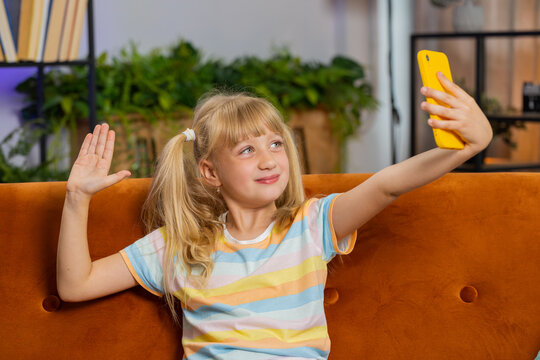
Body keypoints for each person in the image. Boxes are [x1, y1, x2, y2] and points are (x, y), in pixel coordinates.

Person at [56, 73, 493, 360]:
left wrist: (467, 146)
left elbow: (386, 185)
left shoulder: (312, 225)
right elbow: (76, 285)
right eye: (247, 150)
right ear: (210, 172)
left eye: (276, 144)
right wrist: (77, 198)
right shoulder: (180, 244)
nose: (269, 160)